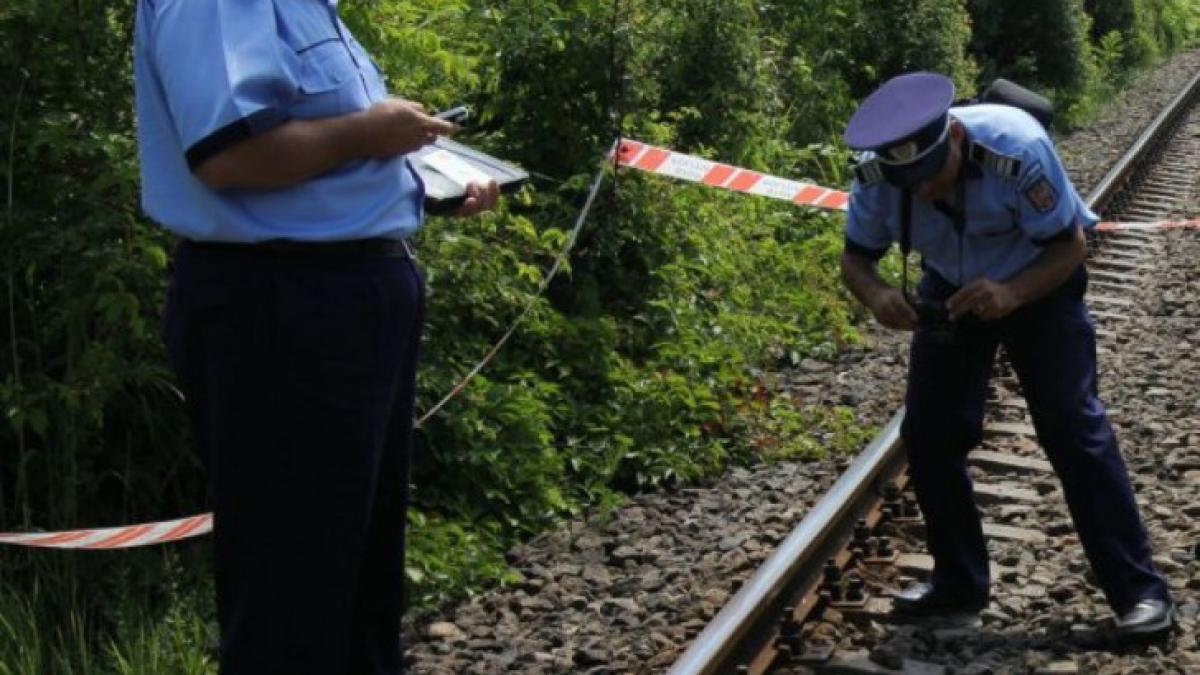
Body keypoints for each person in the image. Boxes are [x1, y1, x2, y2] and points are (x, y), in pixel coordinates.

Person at [133, 2, 499, 673]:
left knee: (355, 591)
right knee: (294, 601)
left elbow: (315, 167)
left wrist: (422, 185)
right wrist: (369, 131)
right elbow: (228, 155)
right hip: (286, 310)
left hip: (334, 302)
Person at [839, 72, 1174, 639]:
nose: (923, 193)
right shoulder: (881, 177)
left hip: (1038, 281)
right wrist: (876, 295)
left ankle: (1140, 595)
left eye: (931, 179)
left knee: (1073, 429)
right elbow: (856, 260)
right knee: (929, 434)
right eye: (910, 185)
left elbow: (1071, 246)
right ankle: (958, 586)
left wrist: (1013, 293)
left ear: (956, 143)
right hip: (951, 287)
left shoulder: (1017, 149)